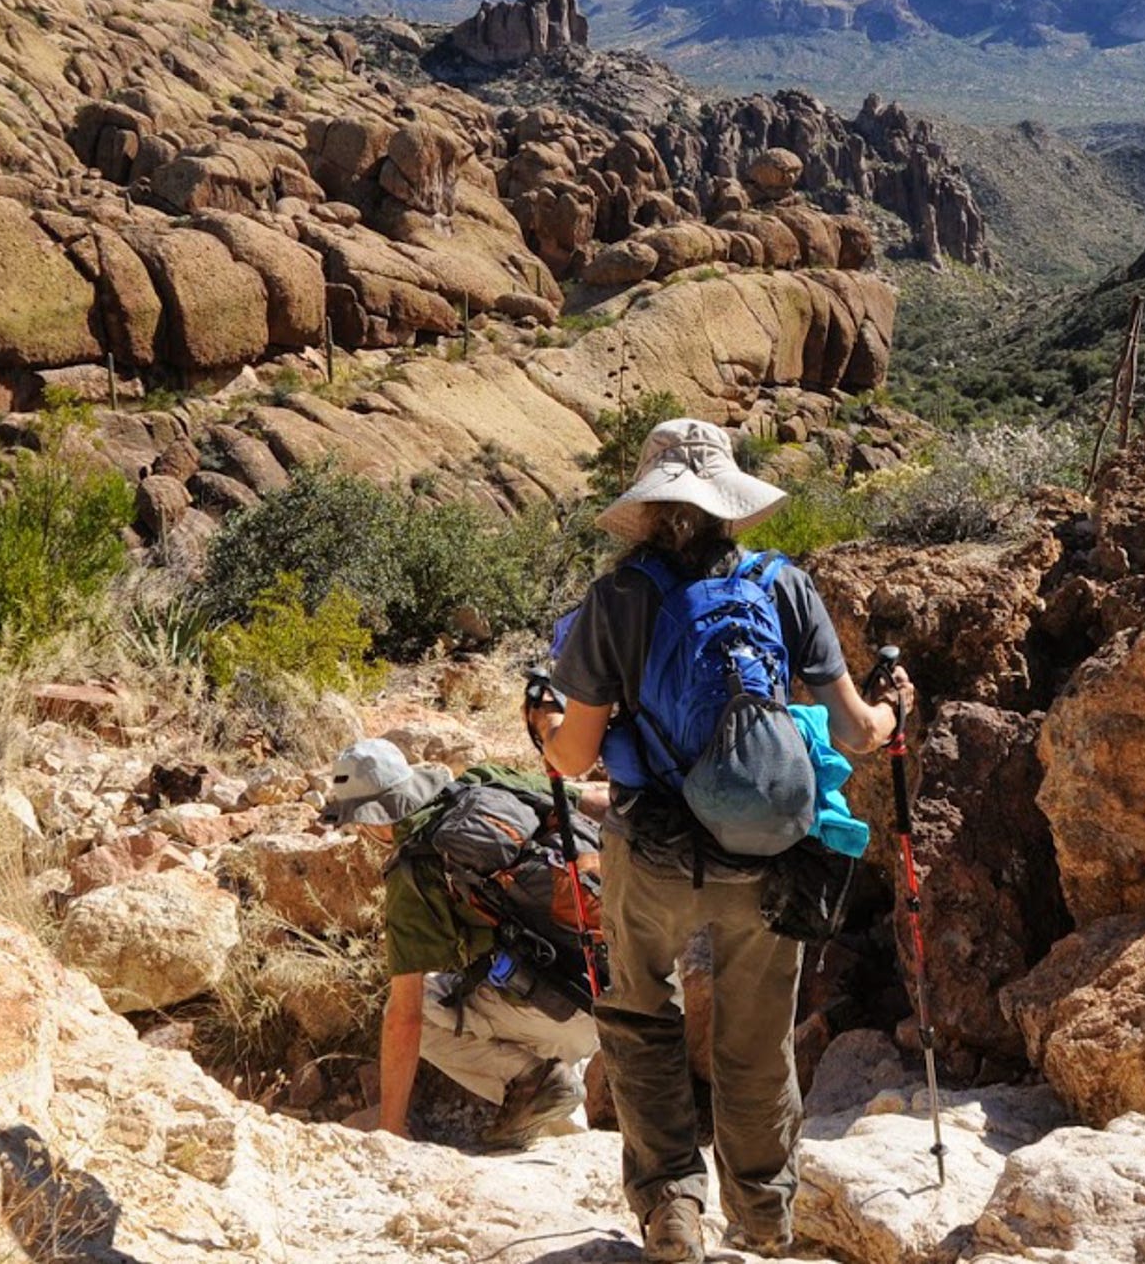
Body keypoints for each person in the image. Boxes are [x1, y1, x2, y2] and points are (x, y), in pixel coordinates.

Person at [528, 417, 914, 1263]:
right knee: (756, 1036)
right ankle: (764, 1215)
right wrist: (895, 706)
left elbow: (574, 756)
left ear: (647, 506)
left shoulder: (617, 598)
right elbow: (857, 731)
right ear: (729, 503)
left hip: (651, 851)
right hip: (767, 853)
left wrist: (542, 723)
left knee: (641, 1015)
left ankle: (672, 1206)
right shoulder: (783, 585)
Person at [325, 737, 601, 1150]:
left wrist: (389, 1132)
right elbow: (591, 802)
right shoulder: (485, 781)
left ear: (375, 820)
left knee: (430, 1005)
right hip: (623, 986)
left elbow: (405, 1018)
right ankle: (566, 1142)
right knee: (538, 990)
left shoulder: (415, 871)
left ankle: (536, 1084)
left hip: (563, 1012)